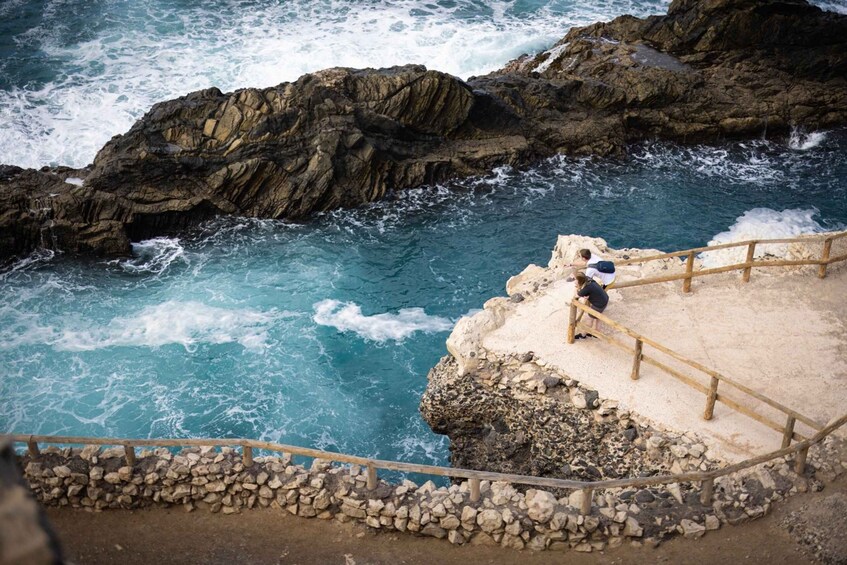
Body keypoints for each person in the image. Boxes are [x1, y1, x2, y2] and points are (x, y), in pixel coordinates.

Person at [573, 271, 608, 339]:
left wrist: (576, 288)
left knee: (589, 319)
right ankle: (597, 333)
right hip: (605, 299)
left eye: (575, 279)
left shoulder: (586, 288)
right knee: (598, 317)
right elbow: (589, 291)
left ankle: (583, 335)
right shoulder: (588, 279)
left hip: (598, 305)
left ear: (579, 280)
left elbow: (576, 295)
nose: (574, 281)